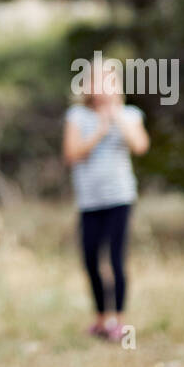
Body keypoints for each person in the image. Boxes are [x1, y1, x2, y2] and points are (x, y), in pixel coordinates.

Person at [63, 74, 150, 341]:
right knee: (90, 259)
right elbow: (71, 154)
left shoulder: (131, 114)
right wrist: (99, 132)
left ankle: (119, 321)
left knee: (115, 259)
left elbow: (140, 146)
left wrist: (117, 119)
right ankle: (101, 318)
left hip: (120, 198)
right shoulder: (77, 116)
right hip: (89, 200)